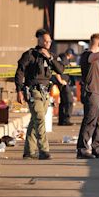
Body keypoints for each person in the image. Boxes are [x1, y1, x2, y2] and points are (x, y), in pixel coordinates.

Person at [15, 29, 64, 160]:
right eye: (46, 41)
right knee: (40, 119)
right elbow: (19, 72)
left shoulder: (51, 55)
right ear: (40, 40)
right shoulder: (30, 54)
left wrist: (49, 57)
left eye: (50, 41)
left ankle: (29, 151)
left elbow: (61, 69)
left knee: (35, 121)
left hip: (46, 92)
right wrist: (19, 91)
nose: (48, 43)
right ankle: (44, 150)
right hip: (33, 90)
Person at [55, 48, 75, 126]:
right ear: (70, 54)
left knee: (63, 101)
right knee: (69, 101)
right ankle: (66, 119)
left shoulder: (63, 59)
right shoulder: (63, 59)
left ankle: (61, 120)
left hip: (64, 82)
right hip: (63, 82)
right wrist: (60, 80)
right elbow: (57, 70)